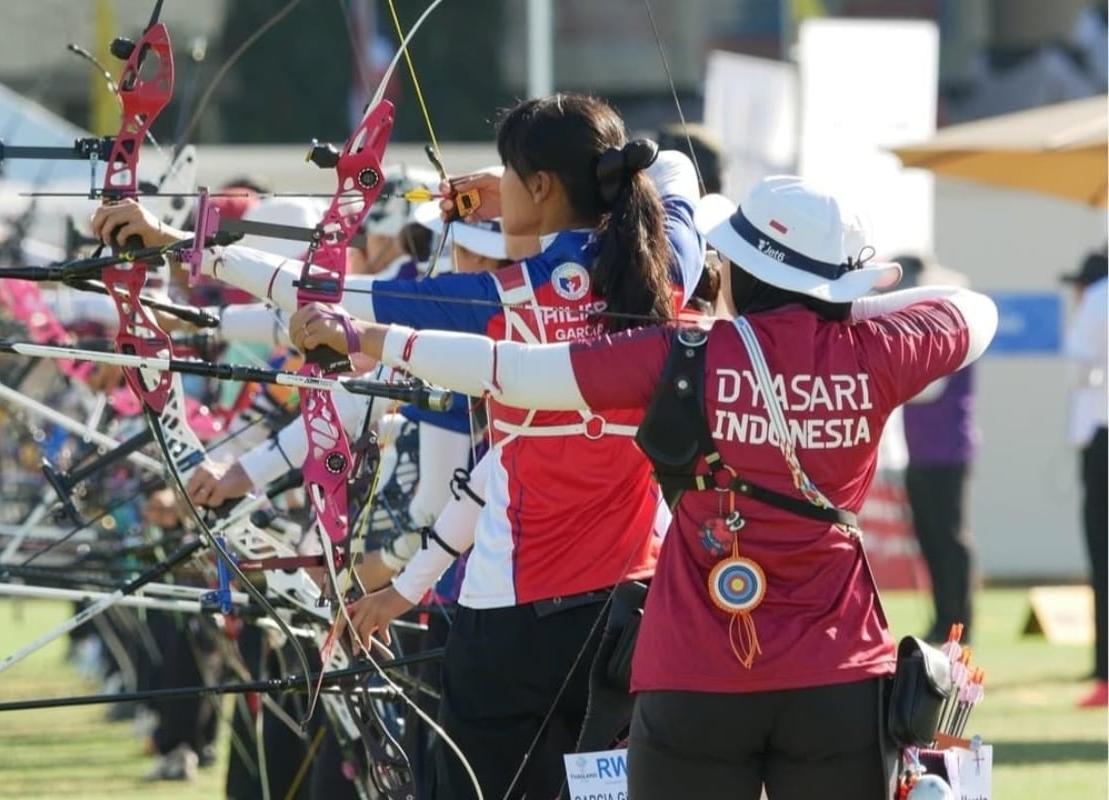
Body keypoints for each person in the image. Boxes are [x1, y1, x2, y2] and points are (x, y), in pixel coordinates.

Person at [292, 175, 999, 800]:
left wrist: (366, 337)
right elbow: (972, 309)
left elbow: (512, 372)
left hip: (696, 675)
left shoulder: (683, 352)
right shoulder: (878, 351)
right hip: (837, 673)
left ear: (737, 269)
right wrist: (832, 309)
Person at [88, 92, 705, 799]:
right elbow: (676, 168)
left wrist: (174, 240)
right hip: (628, 610)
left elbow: (315, 290)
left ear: (540, 186)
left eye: (510, 173)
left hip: (512, 622)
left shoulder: (508, 298)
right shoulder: (667, 270)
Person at [894, 254, 979, 643]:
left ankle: (958, 620)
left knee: (949, 539)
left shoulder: (954, 338)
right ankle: (943, 618)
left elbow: (928, 390)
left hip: (947, 452)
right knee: (930, 539)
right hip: (921, 451)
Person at [1061, 249, 1108, 708]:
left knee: (1104, 555)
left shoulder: (1099, 298)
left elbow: (1077, 370)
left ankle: (1106, 671)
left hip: (1103, 438)